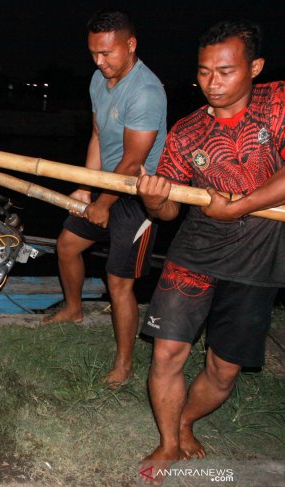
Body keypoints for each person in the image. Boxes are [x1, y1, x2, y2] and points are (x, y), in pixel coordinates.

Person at [136, 20, 284, 480]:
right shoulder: (186, 132)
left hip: (256, 263)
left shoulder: (279, 103)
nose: (212, 83)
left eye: (225, 71)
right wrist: (155, 199)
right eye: (203, 72)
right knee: (167, 354)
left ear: (254, 67)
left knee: (223, 370)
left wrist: (239, 208)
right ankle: (167, 442)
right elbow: (165, 215)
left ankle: (185, 419)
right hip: (194, 255)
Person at [44, 9, 167, 386]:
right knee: (66, 245)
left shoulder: (146, 91)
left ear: (130, 45)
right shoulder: (100, 79)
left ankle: (124, 364)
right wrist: (85, 184)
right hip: (105, 184)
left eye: (108, 53)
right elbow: (98, 135)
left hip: (138, 193)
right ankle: (74, 310)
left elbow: (132, 162)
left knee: (119, 283)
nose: (100, 62)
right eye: (94, 53)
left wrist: (103, 204)